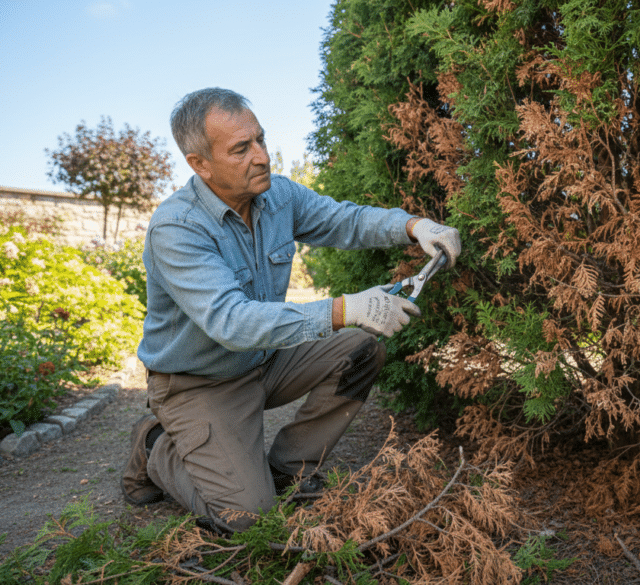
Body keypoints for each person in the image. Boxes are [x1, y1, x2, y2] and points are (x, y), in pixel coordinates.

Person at [121, 87, 461, 533]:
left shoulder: (277, 196)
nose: (262, 156)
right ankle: (155, 446)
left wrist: (414, 226)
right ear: (199, 164)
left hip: (265, 360)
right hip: (198, 383)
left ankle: (290, 469)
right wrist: (343, 308)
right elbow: (232, 322)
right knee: (247, 521)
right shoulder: (177, 228)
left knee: (359, 349)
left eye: (260, 139)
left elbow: (346, 220)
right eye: (241, 149)